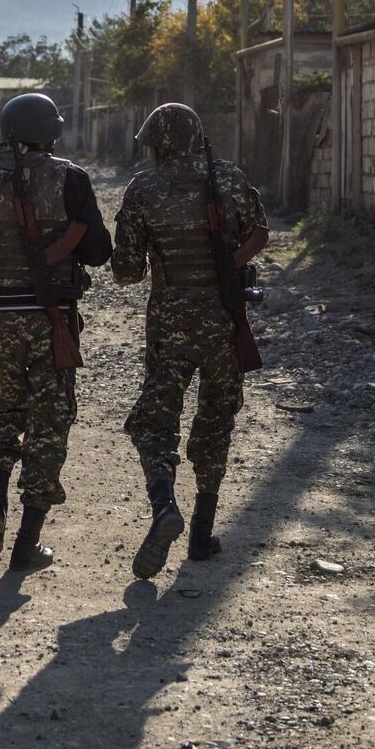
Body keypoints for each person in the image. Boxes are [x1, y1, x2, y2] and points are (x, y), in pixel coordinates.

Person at [0, 93, 112, 572]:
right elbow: (99, 252)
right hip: (53, 317)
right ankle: (27, 542)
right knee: (49, 425)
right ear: (49, 133)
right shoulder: (71, 178)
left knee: (1, 411)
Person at [111, 103, 268, 580]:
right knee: (216, 420)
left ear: (159, 143)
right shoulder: (230, 178)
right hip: (224, 319)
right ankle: (201, 531)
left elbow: (126, 271)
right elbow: (258, 233)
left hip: (169, 325)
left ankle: (164, 509)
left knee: (154, 423)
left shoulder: (143, 188)